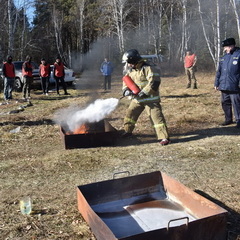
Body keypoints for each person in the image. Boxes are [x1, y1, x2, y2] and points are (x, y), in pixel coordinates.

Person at [121, 49, 170, 146]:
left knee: (156, 118)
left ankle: (164, 137)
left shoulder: (148, 68)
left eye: (128, 62)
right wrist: (126, 90)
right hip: (137, 100)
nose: (128, 65)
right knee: (130, 115)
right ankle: (127, 132)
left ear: (133, 60)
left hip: (150, 99)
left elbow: (154, 82)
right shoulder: (131, 70)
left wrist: (144, 92)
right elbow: (126, 82)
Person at [214, 37, 240, 128]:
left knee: (236, 104)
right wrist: (216, 83)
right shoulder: (223, 58)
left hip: (235, 85)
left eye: (226, 47)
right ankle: (228, 119)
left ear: (232, 46)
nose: (225, 49)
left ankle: (239, 120)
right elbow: (219, 72)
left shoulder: (238, 54)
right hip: (224, 85)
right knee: (225, 102)